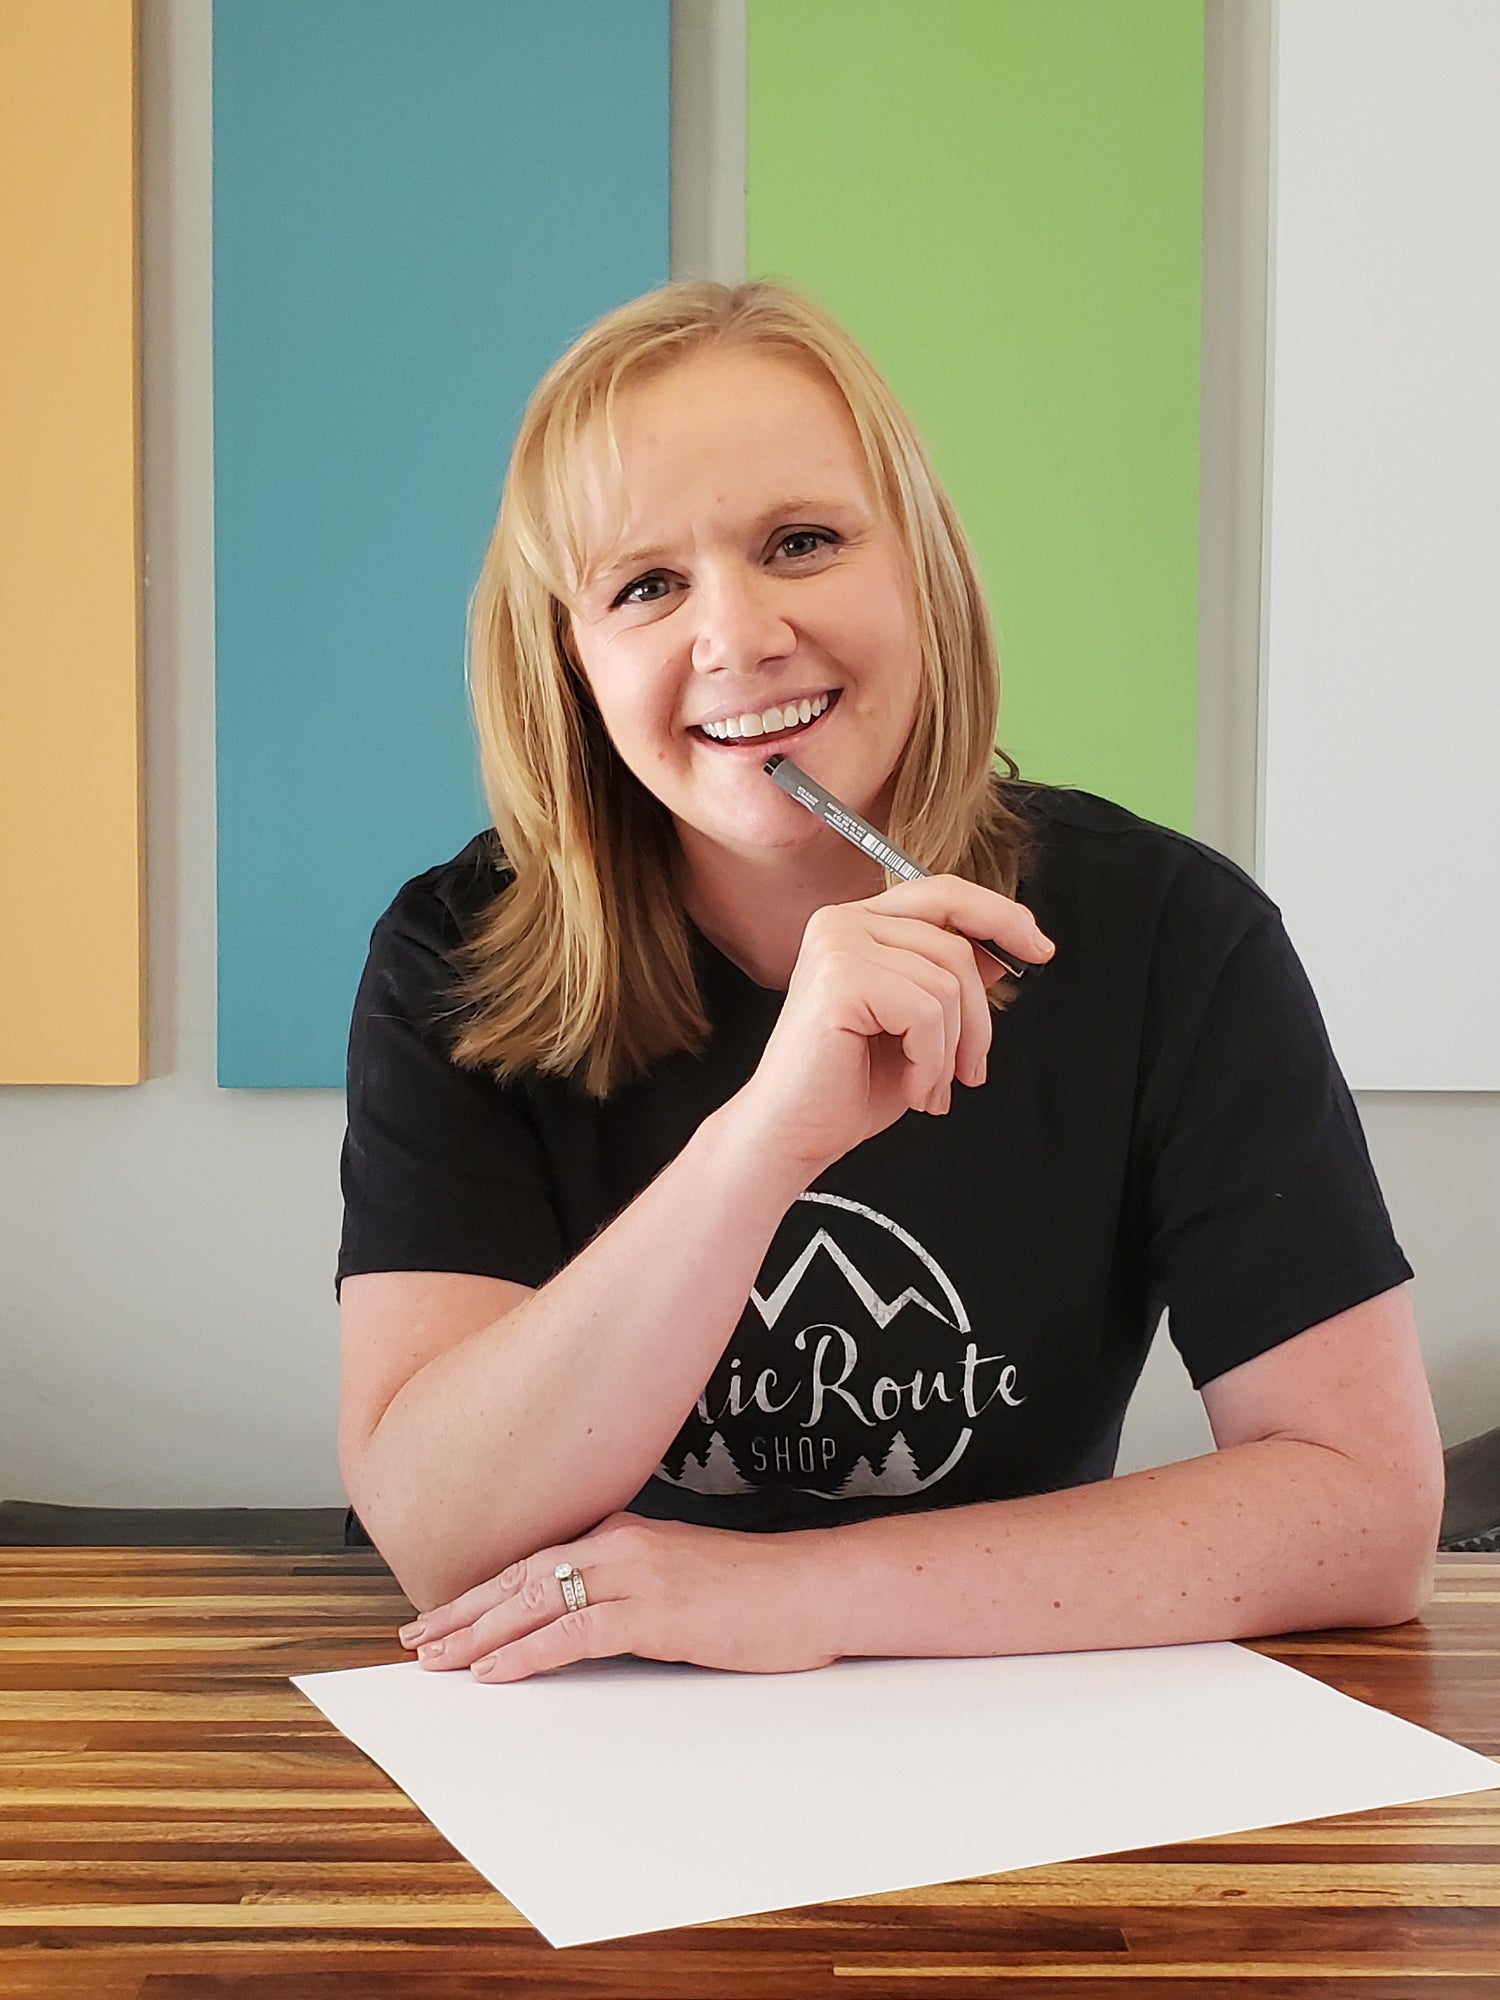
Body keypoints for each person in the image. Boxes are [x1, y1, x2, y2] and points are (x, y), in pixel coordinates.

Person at [335, 279, 1442, 1685]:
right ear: (572, 662)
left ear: (919, 567)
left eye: (801, 543)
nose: (734, 639)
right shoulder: (455, 958)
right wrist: (761, 1143)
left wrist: (798, 1598)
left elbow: (1368, 1516)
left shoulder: (1173, 933)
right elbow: (435, 1531)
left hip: (1015, 1738)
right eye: (645, 585)